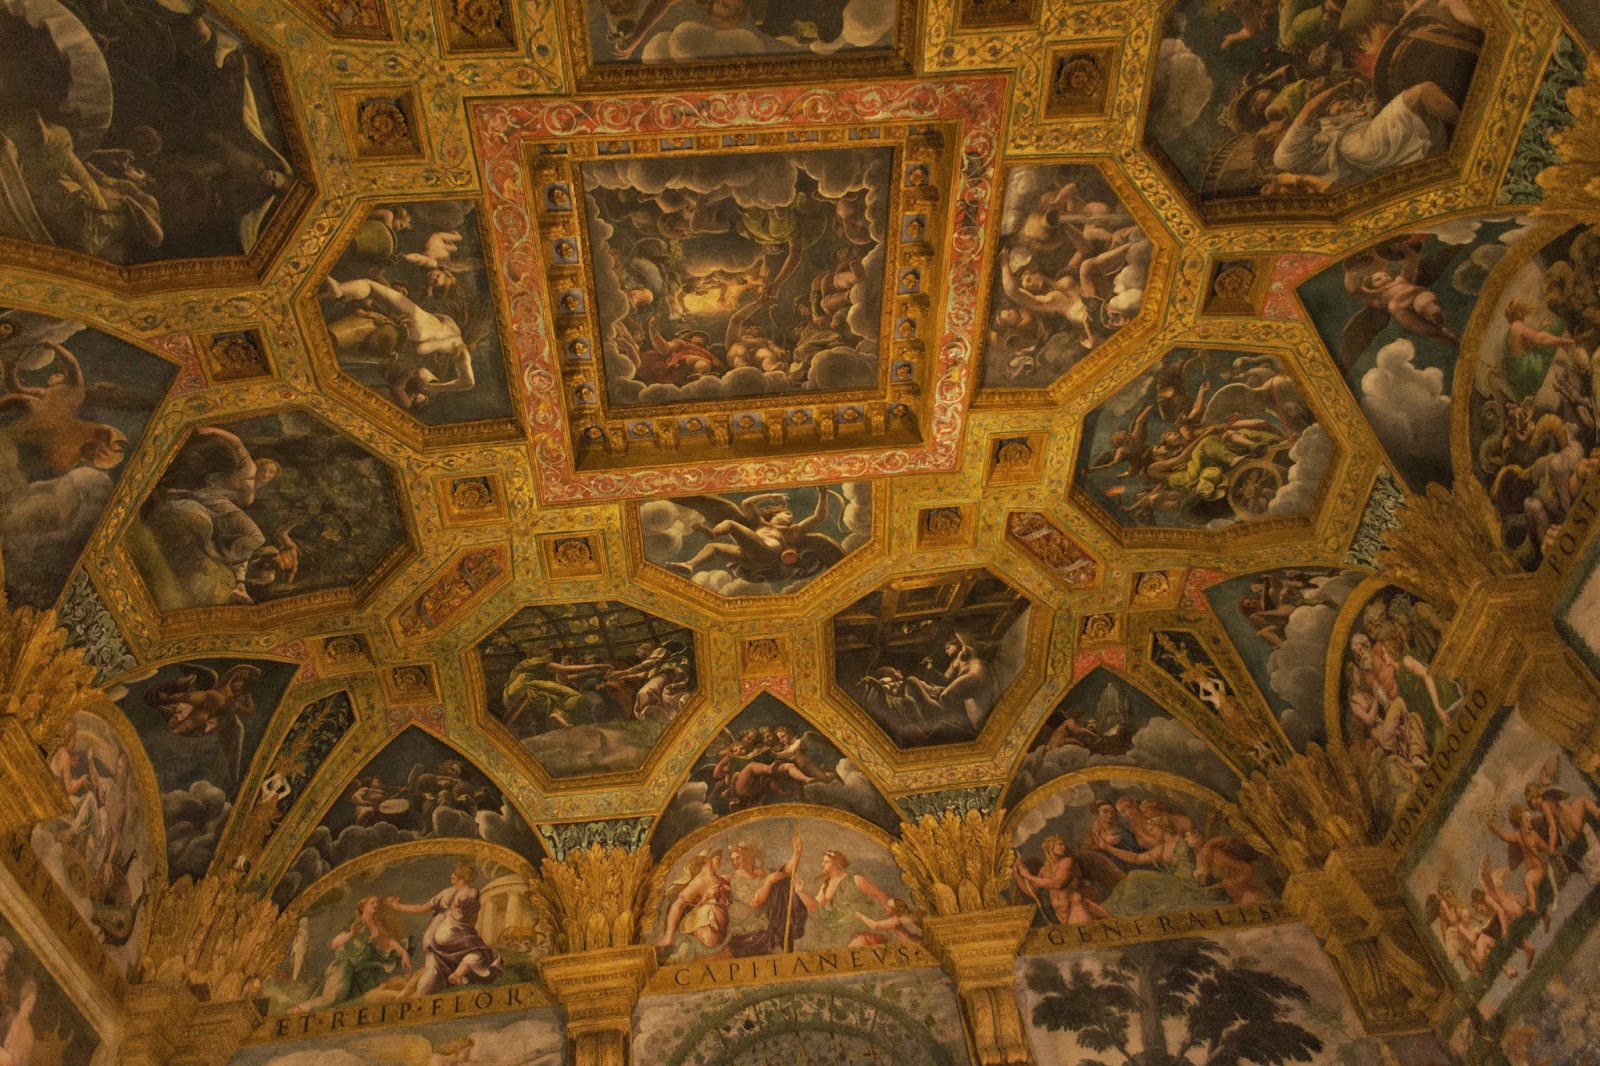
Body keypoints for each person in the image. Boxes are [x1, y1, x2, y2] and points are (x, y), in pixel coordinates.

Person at [385, 864, 503, 993]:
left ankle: (421, 992)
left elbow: (421, 908)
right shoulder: (472, 892)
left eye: (453, 878)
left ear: (461, 878)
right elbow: (471, 915)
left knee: (433, 969)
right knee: (481, 952)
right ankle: (457, 974)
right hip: (452, 931)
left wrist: (398, 906)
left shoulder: (446, 892)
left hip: (432, 934)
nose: (451, 881)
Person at [289, 896, 410, 1013]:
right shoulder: (355, 923)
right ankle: (298, 1010)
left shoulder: (375, 926)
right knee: (331, 999)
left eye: (377, 902)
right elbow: (335, 943)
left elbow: (386, 941)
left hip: (361, 971)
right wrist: (351, 934)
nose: (375, 904)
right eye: (372, 902)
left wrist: (403, 952)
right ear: (362, 906)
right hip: (344, 966)